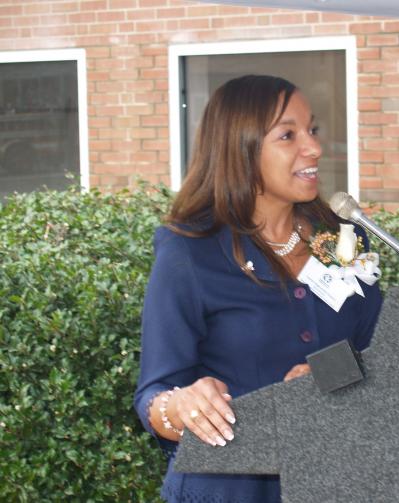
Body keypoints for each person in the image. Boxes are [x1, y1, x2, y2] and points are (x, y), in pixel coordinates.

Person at [134, 75, 383, 503]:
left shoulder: (341, 240)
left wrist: (330, 374)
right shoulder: (189, 254)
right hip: (231, 488)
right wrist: (183, 406)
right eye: (288, 135)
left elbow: (384, 355)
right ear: (240, 149)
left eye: (313, 130)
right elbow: (154, 393)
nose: (314, 148)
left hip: (338, 481)